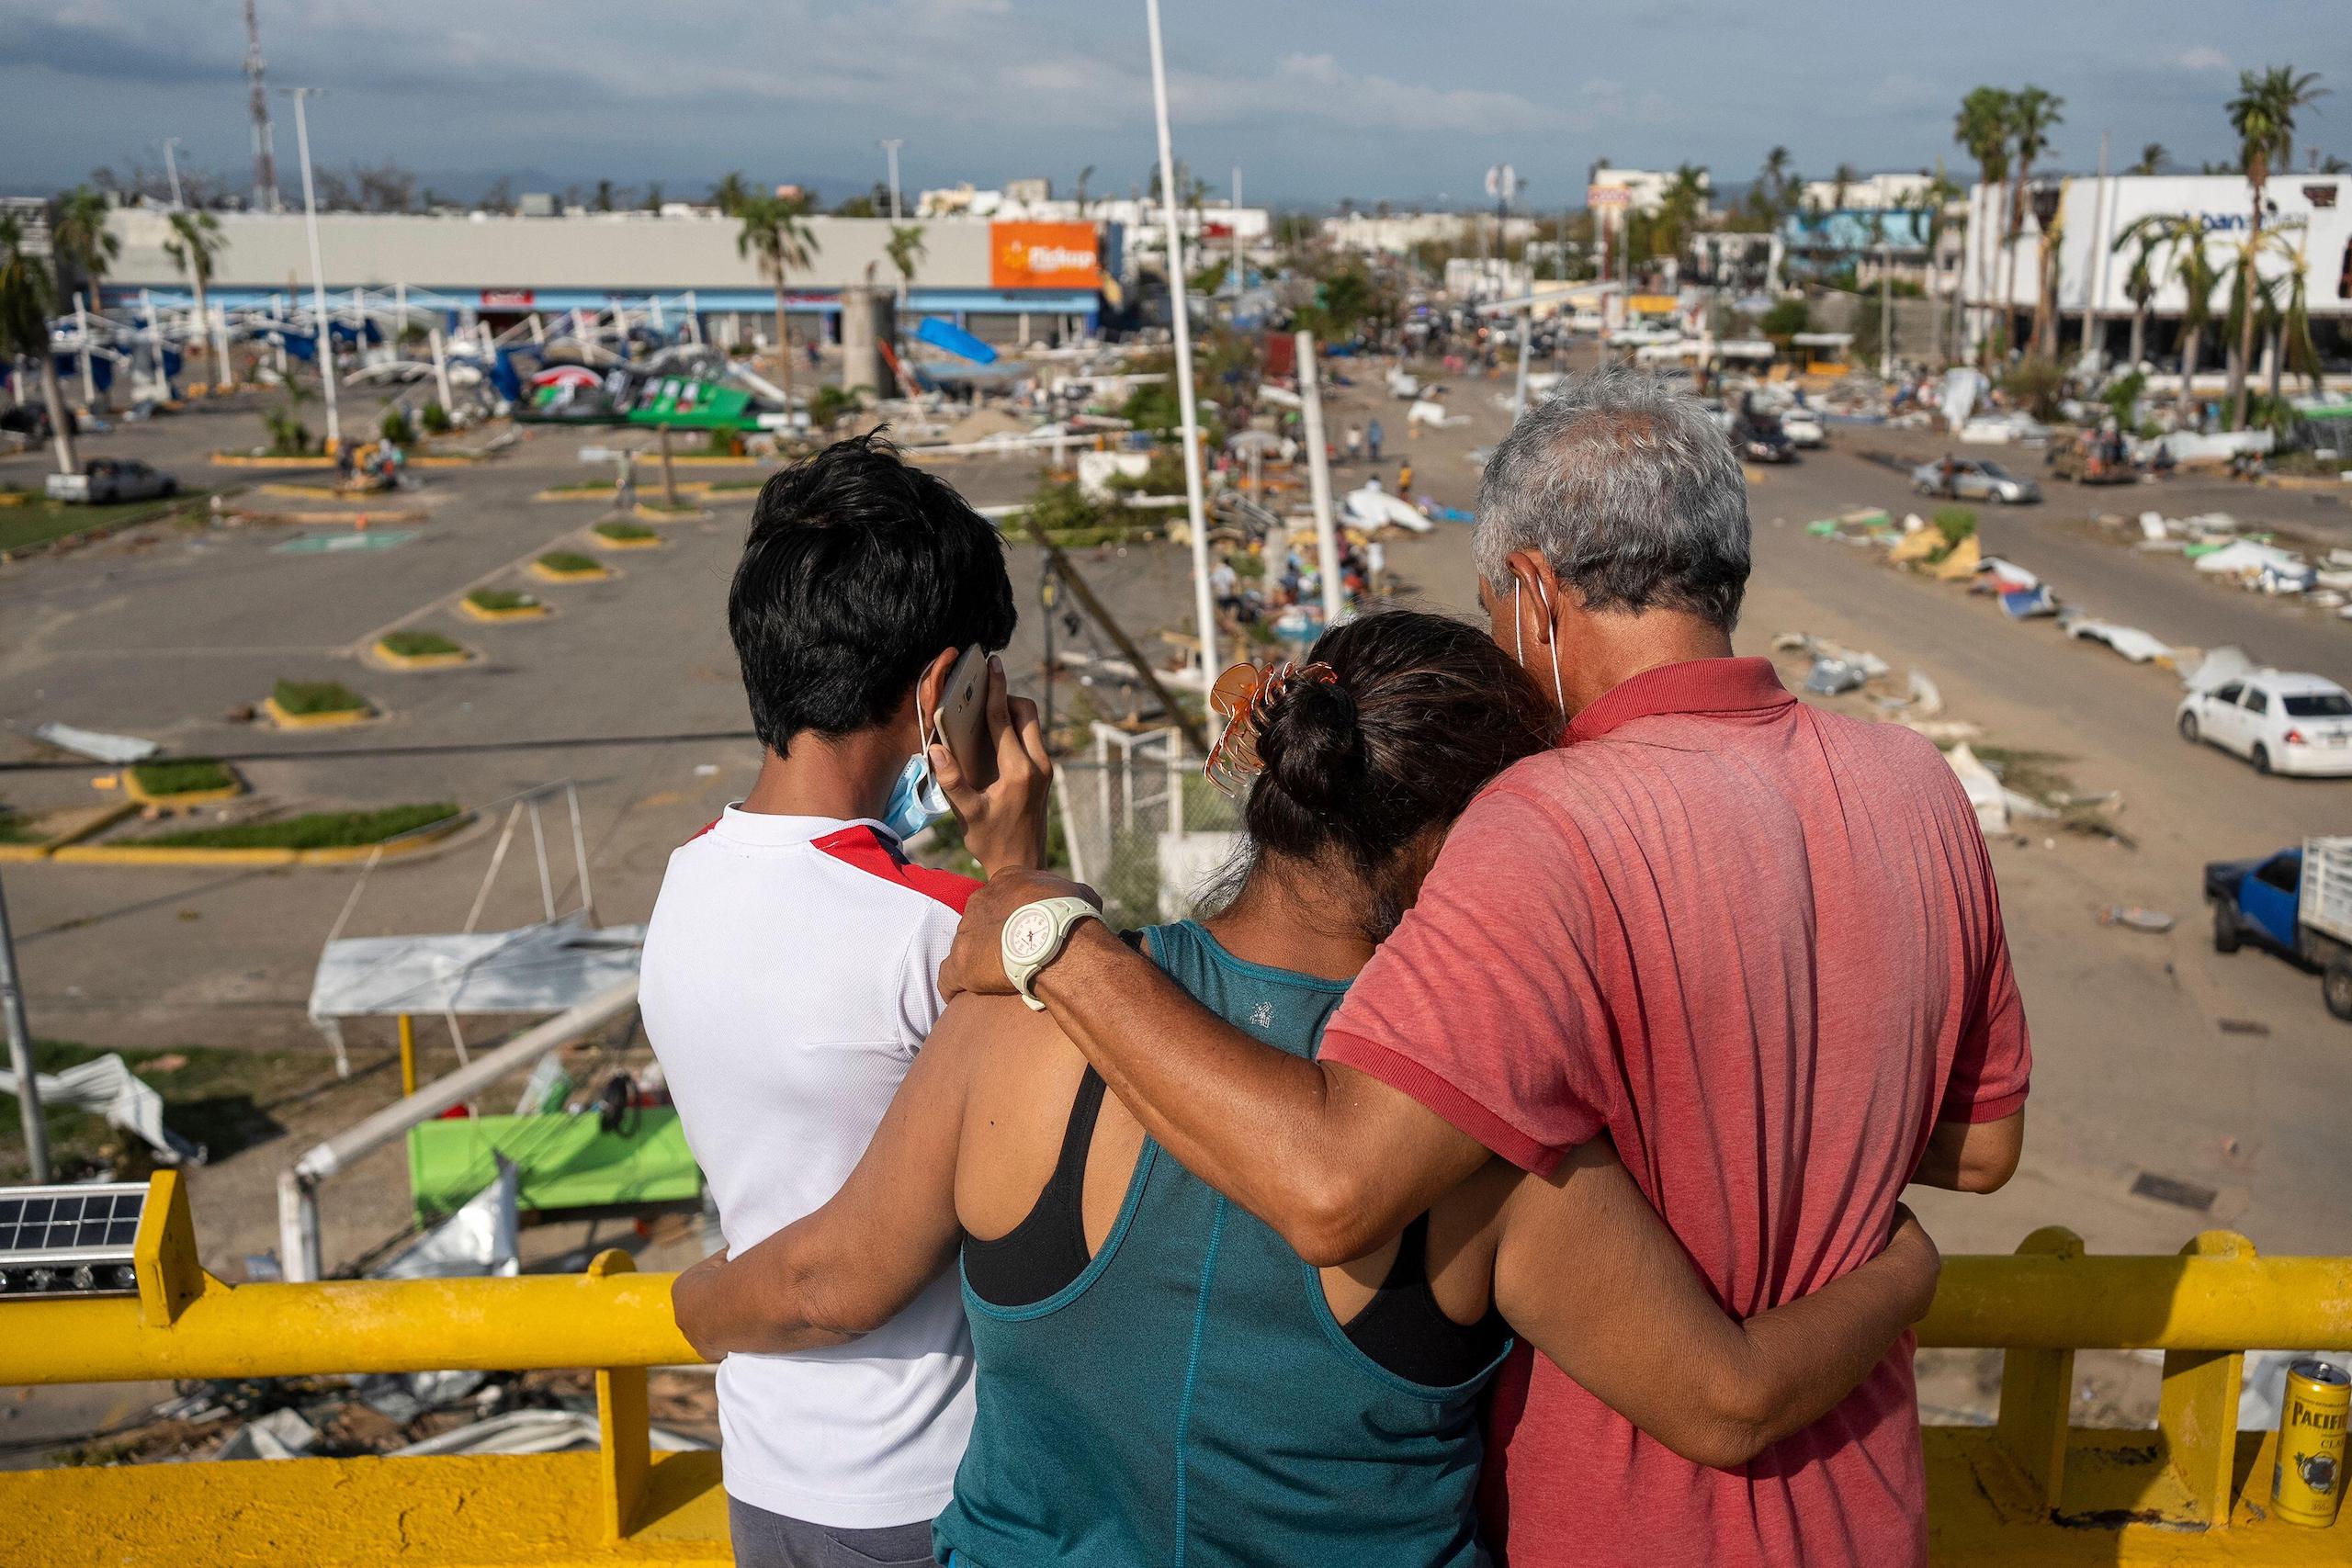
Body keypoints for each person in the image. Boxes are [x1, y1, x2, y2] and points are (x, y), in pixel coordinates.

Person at [940, 370, 2030, 1568]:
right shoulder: (1918, 785)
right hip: (1867, 1511)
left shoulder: (1541, 822)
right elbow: (1979, 1146)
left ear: (1532, 595)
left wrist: (1051, 931)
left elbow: (1333, 1183)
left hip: (1616, 1525)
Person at [675, 611, 1944, 1568]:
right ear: (1466, 845)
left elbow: (820, 1279)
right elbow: (1726, 1398)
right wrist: (1902, 1271)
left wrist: (686, 1301)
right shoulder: (1485, 1142)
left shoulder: (1022, 1019)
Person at [641, 434, 1051, 1568]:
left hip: (769, 1468)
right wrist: (1019, 870)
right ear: (943, 691)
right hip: (934, 1486)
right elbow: (1056, 1161)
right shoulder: (937, 929)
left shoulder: (684, 883)